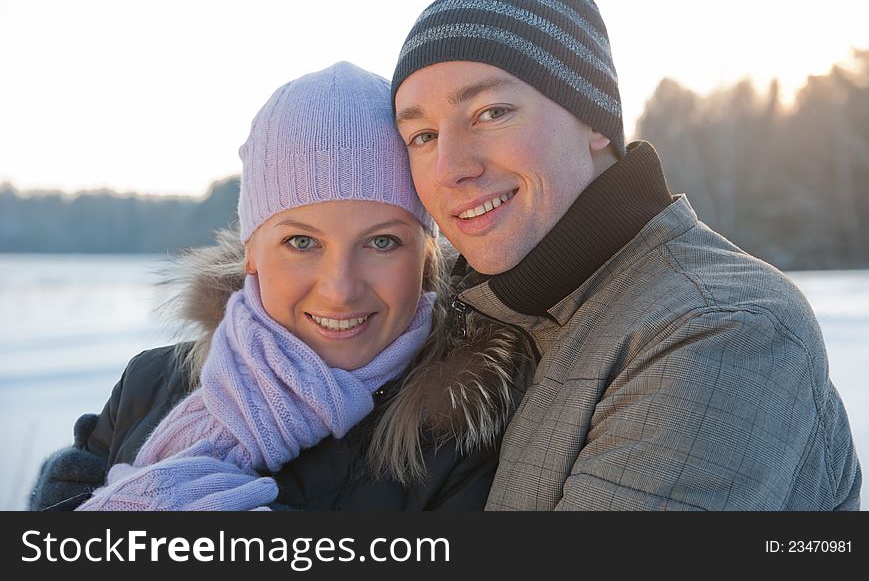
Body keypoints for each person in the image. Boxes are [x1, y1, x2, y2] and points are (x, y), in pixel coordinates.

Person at [390, 0, 861, 510]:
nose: (450, 168)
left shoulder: (716, 328)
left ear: (594, 120)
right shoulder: (475, 312)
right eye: (422, 136)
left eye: (491, 113)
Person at [29, 61, 528, 511]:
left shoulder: (463, 436)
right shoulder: (150, 383)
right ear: (251, 250)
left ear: (424, 257)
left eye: (381, 243)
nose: (340, 289)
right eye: (301, 242)